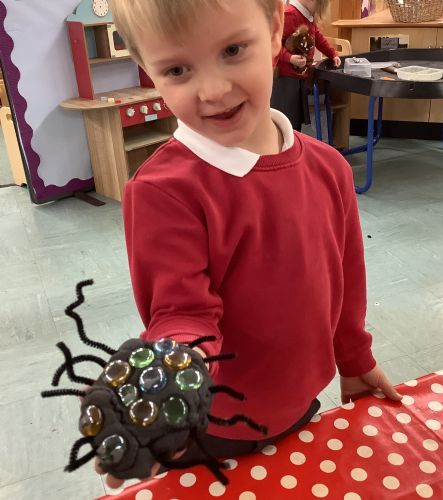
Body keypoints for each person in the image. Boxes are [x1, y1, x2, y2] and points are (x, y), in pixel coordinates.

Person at [106, 0, 402, 489]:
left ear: (273, 31)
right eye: (177, 70)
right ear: (147, 70)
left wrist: (354, 359)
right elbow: (182, 314)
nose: (213, 90)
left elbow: (345, 278)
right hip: (209, 428)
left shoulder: (329, 168)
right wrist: (165, 390)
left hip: (302, 400)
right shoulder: (162, 191)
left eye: (232, 50)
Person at [271, 0, 342, 131]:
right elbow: (272, 44)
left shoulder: (307, 15)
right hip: (284, 79)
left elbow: (318, 37)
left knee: (295, 121)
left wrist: (332, 54)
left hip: (297, 77)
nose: (320, 11)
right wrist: (289, 58)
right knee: (286, 122)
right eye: (320, 6)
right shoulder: (290, 15)